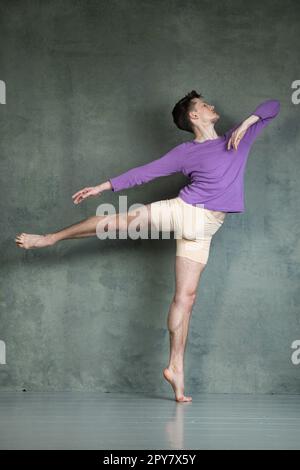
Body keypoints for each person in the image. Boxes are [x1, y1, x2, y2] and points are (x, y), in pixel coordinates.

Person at [15, 91, 280, 402]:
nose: (211, 106)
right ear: (194, 116)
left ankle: (175, 368)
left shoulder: (239, 138)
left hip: (207, 228)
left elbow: (272, 107)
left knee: (187, 297)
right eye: (204, 105)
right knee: (113, 222)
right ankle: (51, 238)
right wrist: (103, 186)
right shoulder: (185, 152)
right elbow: (145, 172)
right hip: (186, 211)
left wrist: (246, 122)